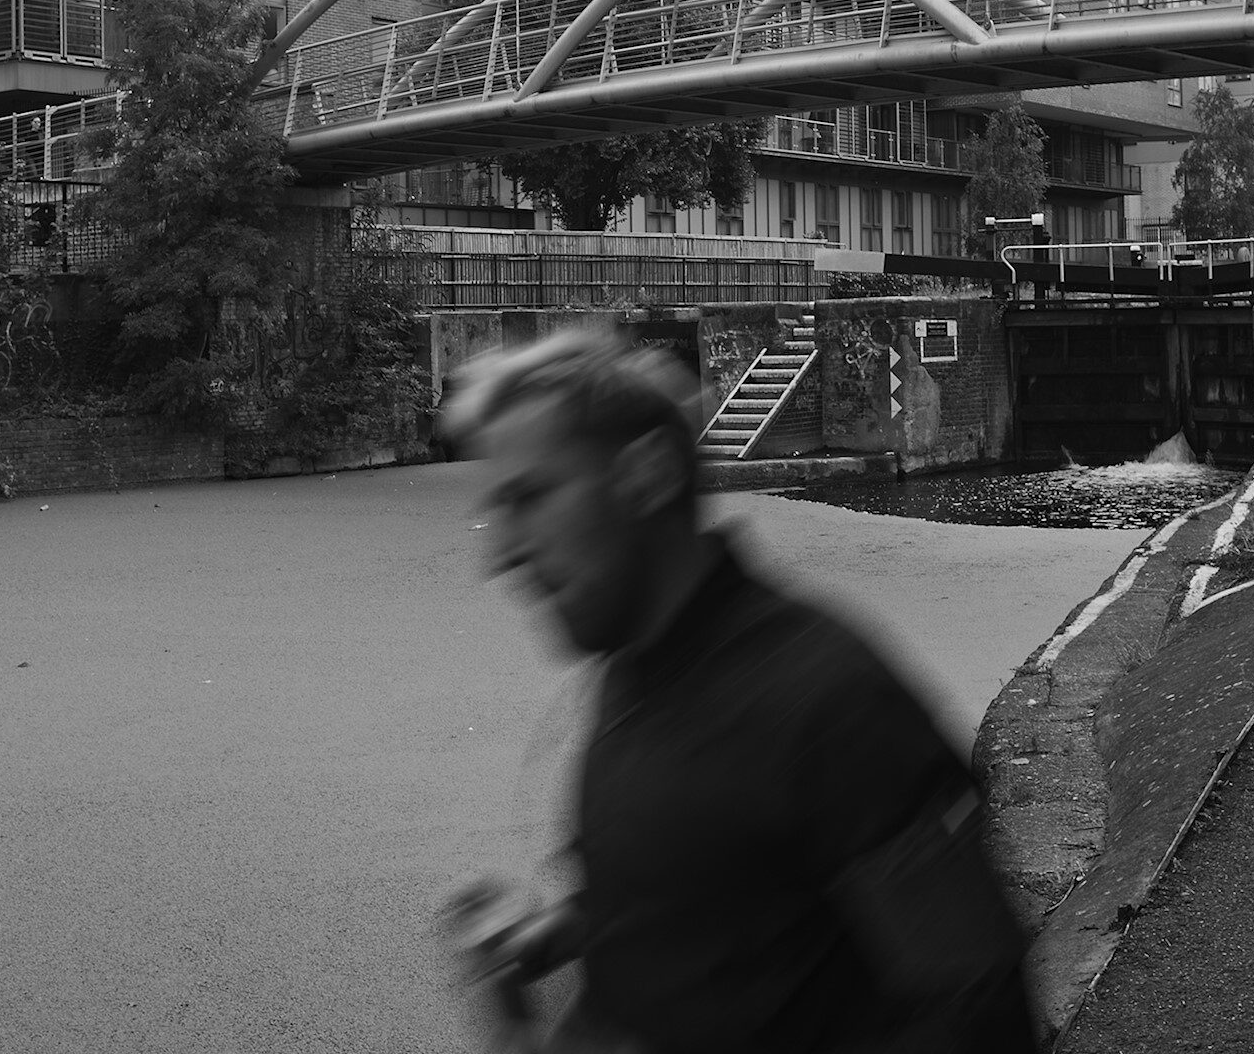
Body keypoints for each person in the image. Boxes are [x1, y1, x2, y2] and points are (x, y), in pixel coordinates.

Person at [441, 329, 1037, 1054]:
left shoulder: (828, 701)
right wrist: (570, 929)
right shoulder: (633, 668)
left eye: (532, 496)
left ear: (646, 475)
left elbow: (978, 1009)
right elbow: (725, 890)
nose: (501, 552)